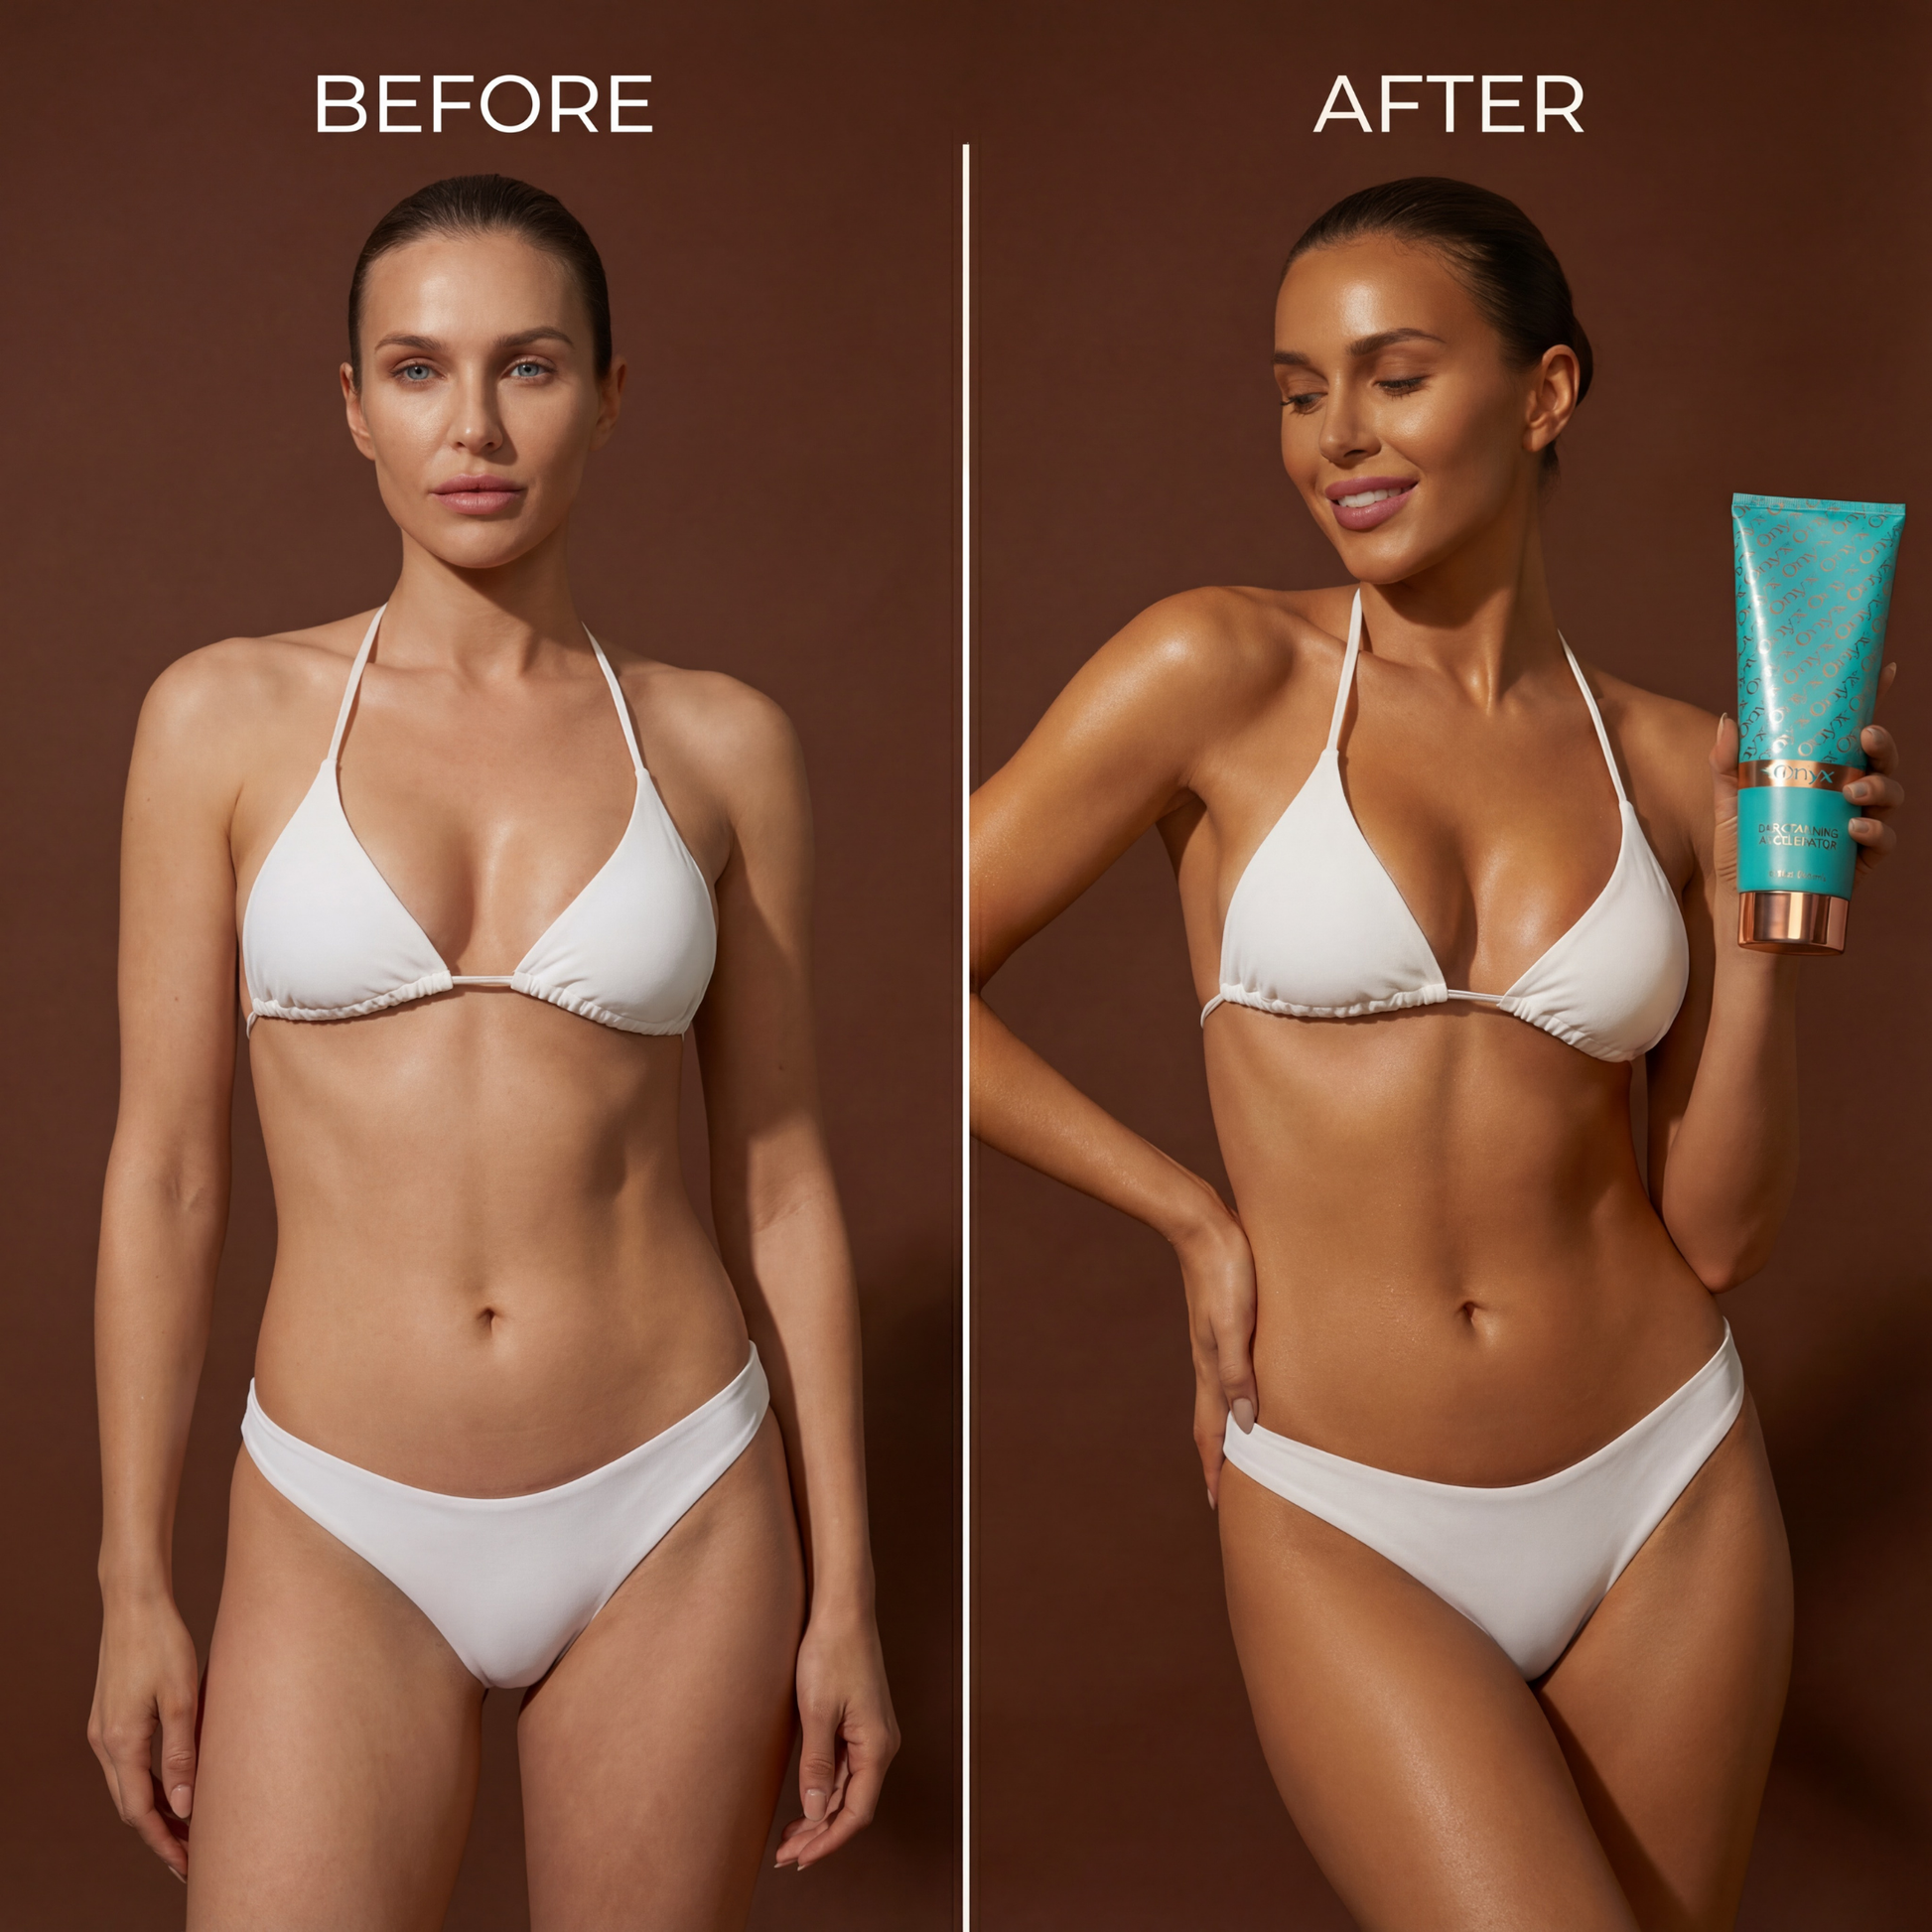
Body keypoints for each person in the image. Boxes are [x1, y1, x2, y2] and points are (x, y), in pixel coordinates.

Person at [970, 178, 1902, 1929]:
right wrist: (1187, 1216)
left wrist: (1761, 928)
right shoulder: (1218, 667)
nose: (1335, 436)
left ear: (1543, 393)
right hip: (1347, 1503)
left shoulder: (1677, 760)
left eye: (1392, 377)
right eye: (1295, 390)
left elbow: (1716, 1238)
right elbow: (913, 962)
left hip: (1666, 1478)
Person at [88, 173, 897, 1926]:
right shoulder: (220, 718)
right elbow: (166, 1174)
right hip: (338, 1507)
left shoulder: (724, 744)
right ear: (353, 404)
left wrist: (847, 1589)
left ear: (607, 394)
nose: (473, 425)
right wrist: (131, 1578)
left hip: (674, 1493)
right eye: (418, 369)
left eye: (528, 366)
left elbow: (780, 1176)